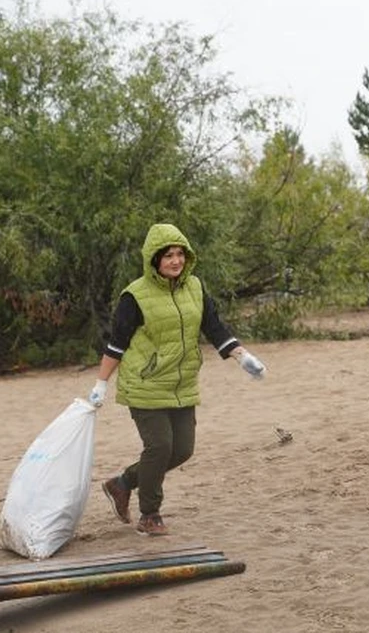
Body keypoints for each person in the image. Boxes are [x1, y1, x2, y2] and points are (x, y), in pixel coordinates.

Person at [86, 223, 267, 536]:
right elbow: (116, 344)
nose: (175, 261)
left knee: (182, 449)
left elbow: (214, 327)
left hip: (182, 383)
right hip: (144, 383)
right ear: (154, 260)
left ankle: (122, 483)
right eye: (168, 255)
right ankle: (150, 514)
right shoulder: (135, 296)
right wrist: (100, 384)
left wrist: (243, 357)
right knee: (159, 446)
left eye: (180, 254)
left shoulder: (195, 287)